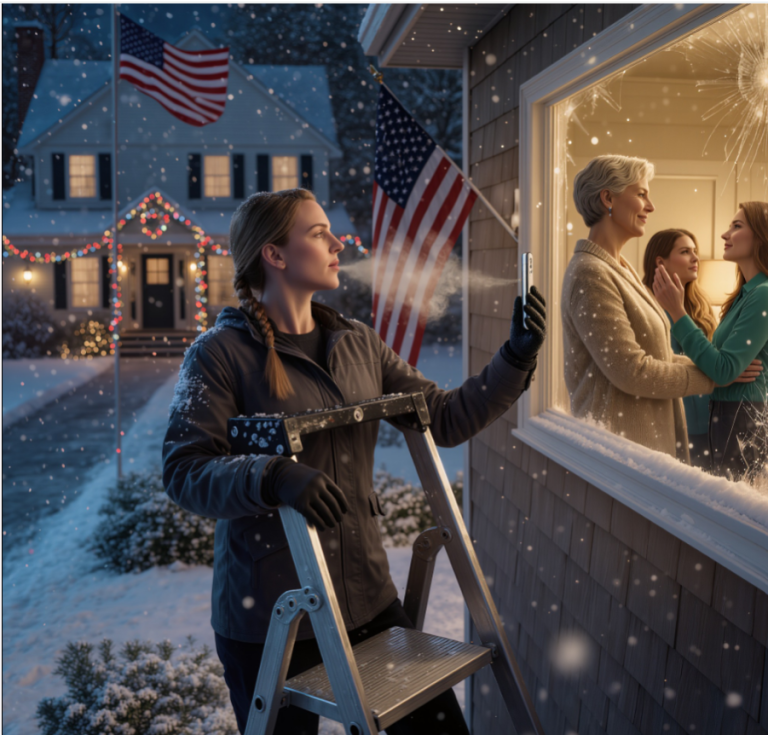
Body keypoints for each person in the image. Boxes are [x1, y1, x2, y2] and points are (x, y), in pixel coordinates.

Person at [162, 188, 547, 735]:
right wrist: (273, 475)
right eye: (319, 233)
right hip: (275, 618)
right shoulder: (218, 353)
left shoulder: (359, 343)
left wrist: (515, 357)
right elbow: (185, 471)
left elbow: (445, 418)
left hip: (367, 601)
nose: (338, 243)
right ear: (274, 254)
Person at [561, 154, 718, 462]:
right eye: (642, 194)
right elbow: (632, 371)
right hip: (621, 456)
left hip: (643, 449)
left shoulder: (619, 267)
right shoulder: (590, 273)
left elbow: (658, 355)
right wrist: (715, 378)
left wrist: (717, 367)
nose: (651, 206)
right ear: (608, 198)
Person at [653, 202, 768, 482]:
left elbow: (722, 369)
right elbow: (721, 366)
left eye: (737, 226)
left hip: (741, 417)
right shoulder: (745, 296)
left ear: (761, 236)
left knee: (733, 506)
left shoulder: (763, 294)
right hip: (726, 416)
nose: (725, 234)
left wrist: (678, 312)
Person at [642, 229, 716, 468]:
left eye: (695, 251)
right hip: (674, 425)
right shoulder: (646, 310)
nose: (695, 258)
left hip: (712, 422)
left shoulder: (701, 306)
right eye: (685, 252)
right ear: (660, 262)